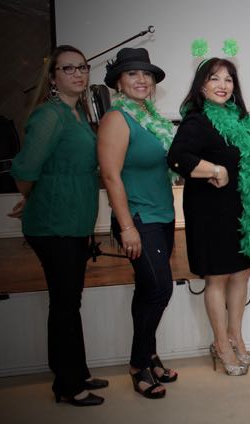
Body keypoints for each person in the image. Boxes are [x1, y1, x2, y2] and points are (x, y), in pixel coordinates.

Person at [9, 45, 106, 406]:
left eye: (82, 67)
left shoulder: (77, 114)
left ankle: (76, 371)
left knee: (69, 301)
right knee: (65, 304)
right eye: (68, 68)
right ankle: (67, 385)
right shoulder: (49, 115)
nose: (78, 74)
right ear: (52, 78)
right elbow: (24, 169)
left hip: (74, 221)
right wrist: (32, 197)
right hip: (54, 224)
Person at [168, 58, 250, 376]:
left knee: (241, 274)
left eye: (228, 79)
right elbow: (177, 158)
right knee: (216, 278)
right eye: (214, 78)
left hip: (240, 213)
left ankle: (235, 337)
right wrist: (215, 170)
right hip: (210, 214)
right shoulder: (197, 121)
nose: (222, 85)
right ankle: (221, 344)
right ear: (202, 85)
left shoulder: (242, 120)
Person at [97, 48, 177, 399]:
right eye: (132, 74)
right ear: (118, 82)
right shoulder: (117, 119)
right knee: (160, 289)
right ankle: (137, 364)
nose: (142, 80)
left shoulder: (150, 116)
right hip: (139, 218)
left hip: (163, 215)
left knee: (147, 289)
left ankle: (150, 354)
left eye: (147, 74)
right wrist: (127, 226)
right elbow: (110, 176)